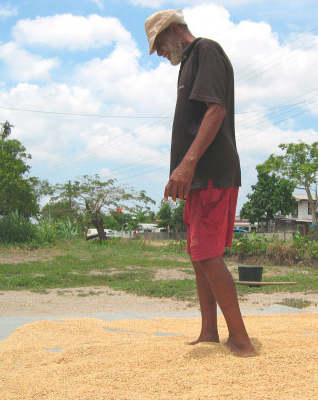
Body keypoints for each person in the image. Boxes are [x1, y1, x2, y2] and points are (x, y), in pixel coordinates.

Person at [144, 9, 256, 357]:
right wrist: (180, 171)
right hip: (196, 177)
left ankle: (241, 339)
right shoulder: (187, 65)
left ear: (174, 30)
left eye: (160, 44)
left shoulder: (206, 51)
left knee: (208, 254)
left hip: (211, 172)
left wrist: (188, 164)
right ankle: (209, 331)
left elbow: (216, 110)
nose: (161, 53)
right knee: (198, 254)